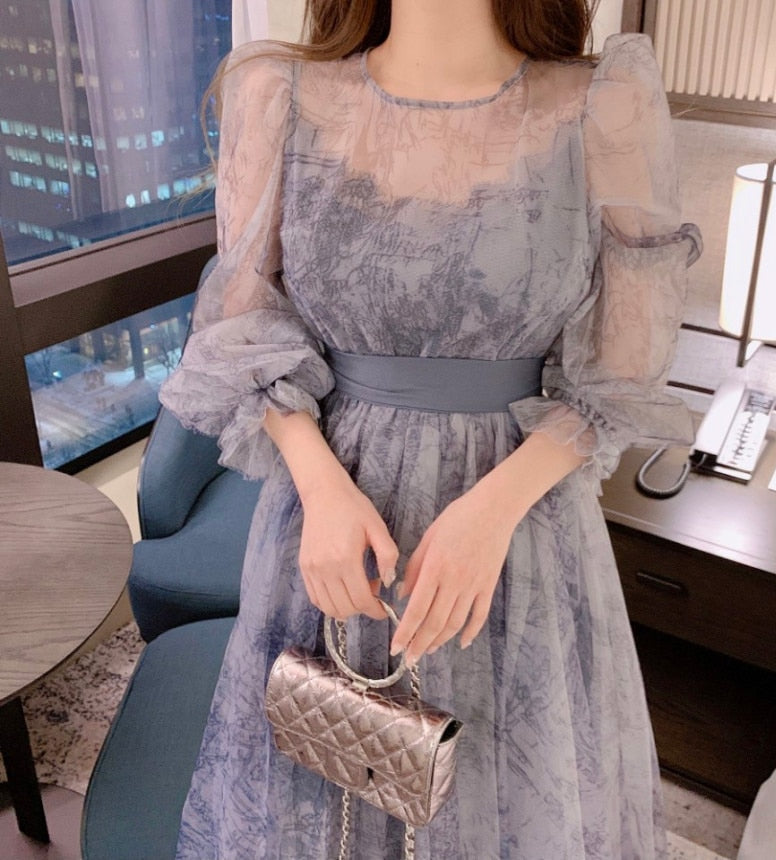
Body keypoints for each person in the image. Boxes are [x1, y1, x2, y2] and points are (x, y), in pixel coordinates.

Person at [159, 1, 702, 857]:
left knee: (507, 796)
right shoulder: (275, 95)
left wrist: (494, 510)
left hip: (519, 535)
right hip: (328, 526)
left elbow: (622, 370)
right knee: (318, 769)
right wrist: (318, 483)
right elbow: (244, 325)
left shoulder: (605, 105)